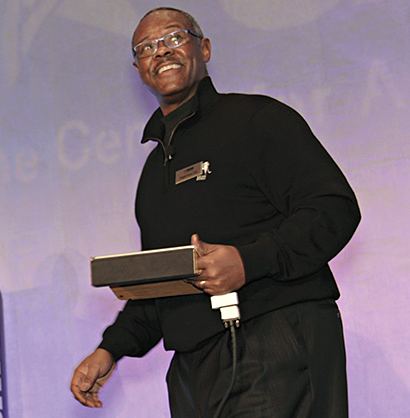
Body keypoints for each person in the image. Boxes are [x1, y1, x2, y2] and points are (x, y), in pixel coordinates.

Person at [70, 7, 360, 418]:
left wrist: (248, 260)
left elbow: (334, 209)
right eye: (147, 47)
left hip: (275, 340)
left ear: (203, 48)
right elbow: (165, 281)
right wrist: (111, 348)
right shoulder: (153, 175)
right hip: (193, 370)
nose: (161, 52)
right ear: (138, 70)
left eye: (174, 38)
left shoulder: (258, 119)